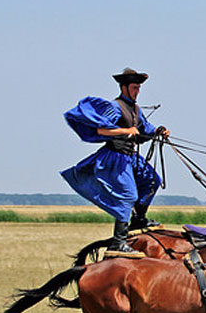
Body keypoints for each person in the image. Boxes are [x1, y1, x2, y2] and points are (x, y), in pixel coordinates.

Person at [61, 68, 170, 258]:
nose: (137, 92)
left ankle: (138, 219)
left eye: (138, 88)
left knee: (152, 180)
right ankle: (118, 242)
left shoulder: (136, 109)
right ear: (124, 87)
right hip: (116, 158)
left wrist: (158, 131)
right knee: (128, 195)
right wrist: (124, 131)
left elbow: (145, 129)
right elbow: (101, 131)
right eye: (134, 88)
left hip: (131, 157)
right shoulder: (114, 107)